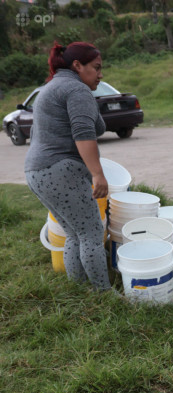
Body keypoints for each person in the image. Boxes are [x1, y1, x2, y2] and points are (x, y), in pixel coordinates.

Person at [24, 41, 111, 291]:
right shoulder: (75, 89)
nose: (100, 74)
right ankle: (104, 295)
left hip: (37, 171)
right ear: (77, 65)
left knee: (76, 234)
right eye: (96, 68)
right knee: (93, 235)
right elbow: (84, 133)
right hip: (60, 171)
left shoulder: (52, 87)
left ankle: (80, 289)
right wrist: (98, 174)